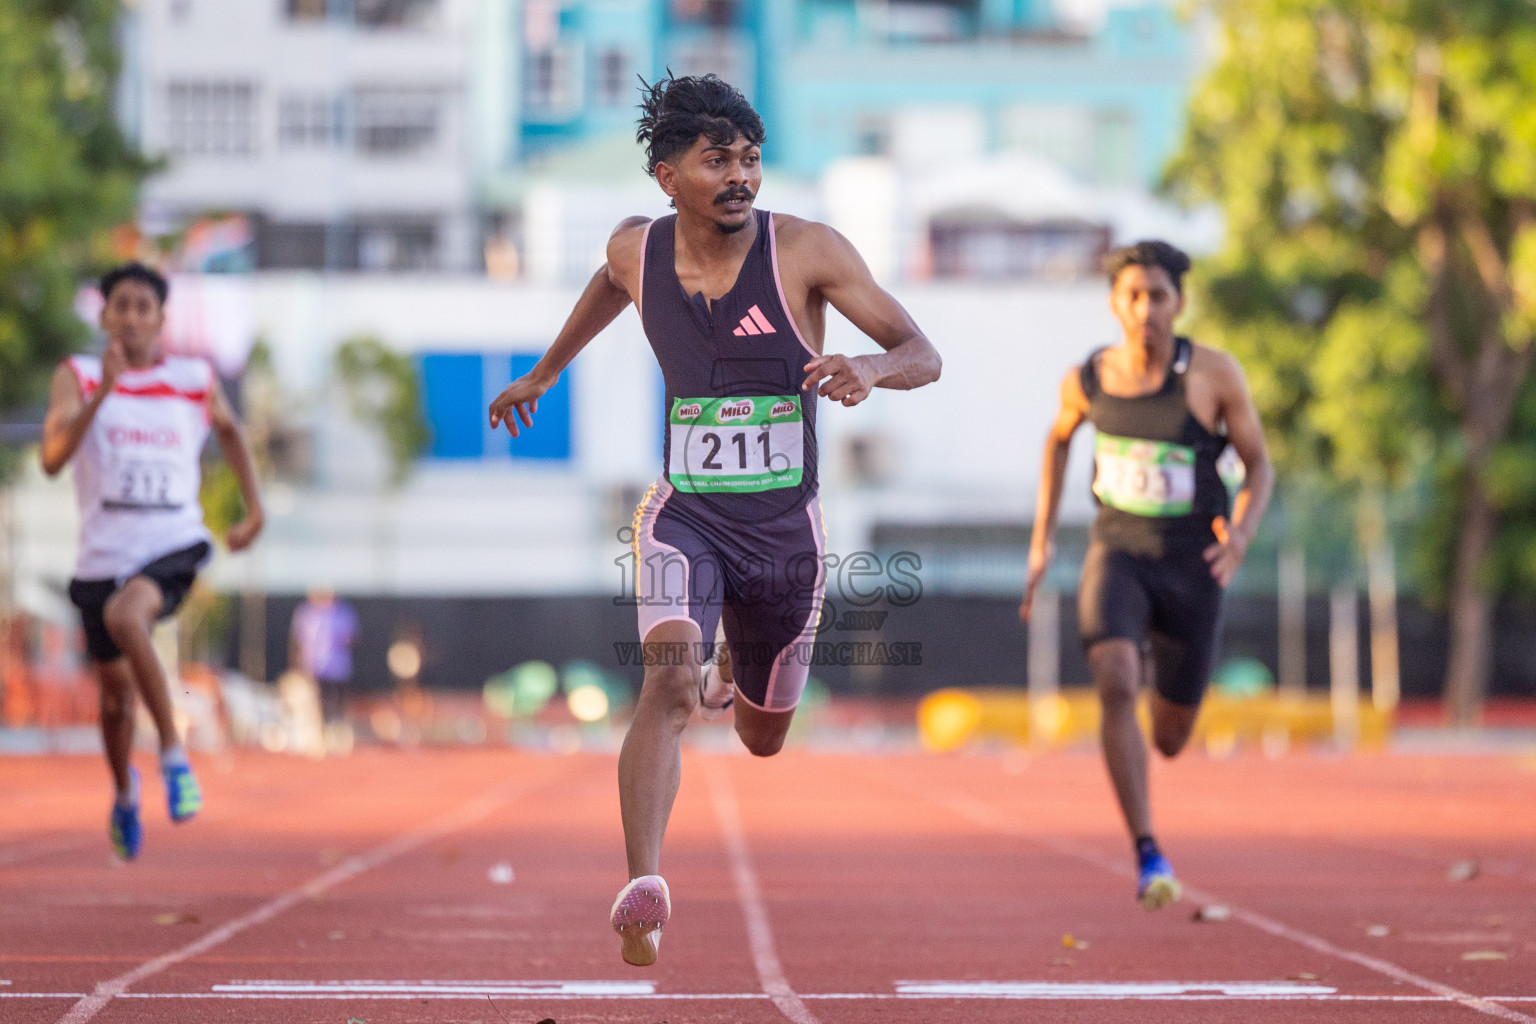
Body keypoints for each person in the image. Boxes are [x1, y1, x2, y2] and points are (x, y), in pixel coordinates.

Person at [488, 74, 941, 967]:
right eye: (716, 160)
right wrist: (545, 373)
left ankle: (743, 651)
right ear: (667, 176)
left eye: (750, 159)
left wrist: (866, 369)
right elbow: (606, 287)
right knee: (666, 686)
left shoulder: (806, 250)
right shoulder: (635, 250)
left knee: (763, 738)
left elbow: (921, 351)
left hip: (783, 533)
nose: (740, 176)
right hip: (683, 515)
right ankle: (642, 884)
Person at [1020, 241, 1273, 910]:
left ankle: (1164, 654)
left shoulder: (1214, 375)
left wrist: (1241, 537)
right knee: (1115, 678)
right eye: (1132, 296)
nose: (1145, 309)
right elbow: (1057, 439)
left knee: (1169, 738)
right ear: (1115, 304)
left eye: (1158, 296)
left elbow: (1260, 465)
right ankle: (1146, 848)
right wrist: (1041, 543)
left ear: (1178, 303)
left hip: (1194, 566)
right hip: (1119, 553)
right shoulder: (1088, 378)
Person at [40, 262, 264, 861]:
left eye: (145, 307)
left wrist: (255, 511)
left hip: (172, 541)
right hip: (101, 555)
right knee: (113, 703)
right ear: (105, 315)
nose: (133, 317)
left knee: (126, 616)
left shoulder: (193, 377)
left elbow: (232, 434)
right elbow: (52, 459)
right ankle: (122, 791)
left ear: (162, 319)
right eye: (122, 306)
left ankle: (173, 753)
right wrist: (104, 395)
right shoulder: (79, 376)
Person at [289, 586, 359, 729]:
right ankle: (319, 731)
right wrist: (298, 665)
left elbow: (351, 638)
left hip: (337, 667)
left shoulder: (342, 613)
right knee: (316, 702)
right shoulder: (306, 613)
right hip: (313, 667)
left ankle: (337, 730)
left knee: (337, 702)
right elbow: (297, 641)